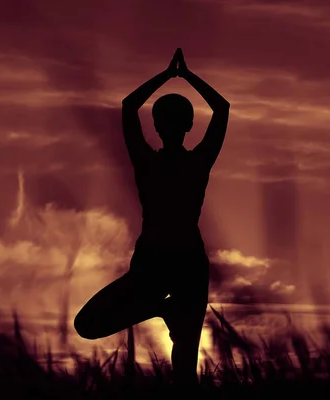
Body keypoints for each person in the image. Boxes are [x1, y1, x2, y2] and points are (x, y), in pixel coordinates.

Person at [74, 48, 230, 385]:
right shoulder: (195, 163)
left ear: (156, 124)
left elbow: (129, 106)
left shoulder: (148, 163)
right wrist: (186, 76)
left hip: (161, 259)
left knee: (89, 325)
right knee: (185, 358)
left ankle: (160, 308)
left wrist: (167, 75)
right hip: (179, 260)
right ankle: (162, 308)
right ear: (189, 124)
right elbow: (222, 109)